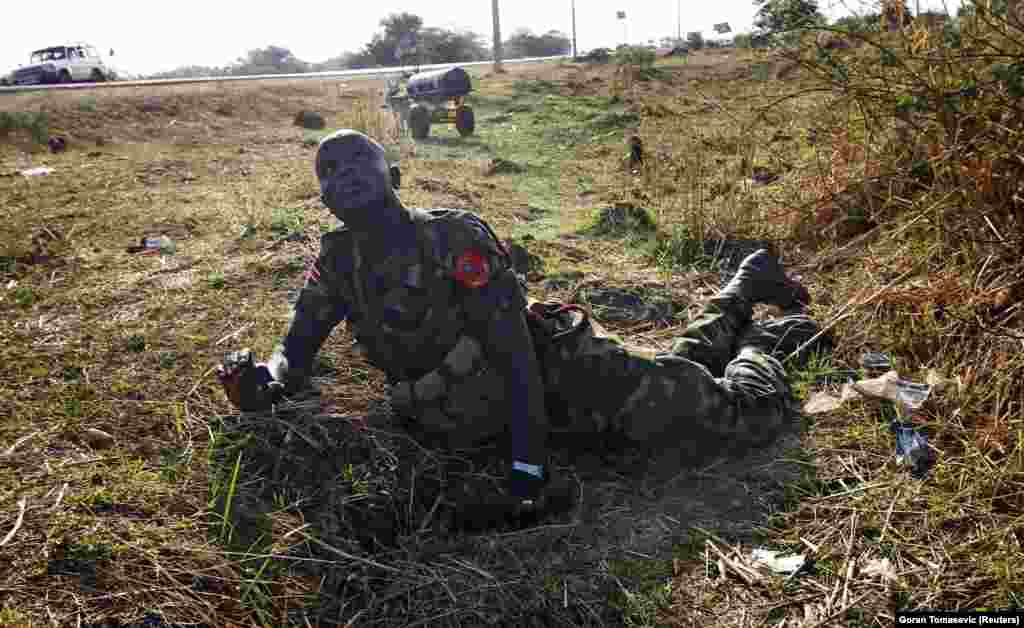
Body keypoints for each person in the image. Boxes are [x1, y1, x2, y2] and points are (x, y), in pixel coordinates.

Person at [218, 129, 830, 524]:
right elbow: (295, 346)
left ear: (395, 176)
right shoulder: (338, 261)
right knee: (679, 367)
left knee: (740, 417)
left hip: (572, 379)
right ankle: (748, 284)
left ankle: (761, 338)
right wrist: (266, 381)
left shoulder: (452, 240)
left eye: (358, 159)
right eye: (328, 168)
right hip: (478, 414)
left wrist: (527, 474)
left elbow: (517, 361)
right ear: (322, 197)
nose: (342, 173)